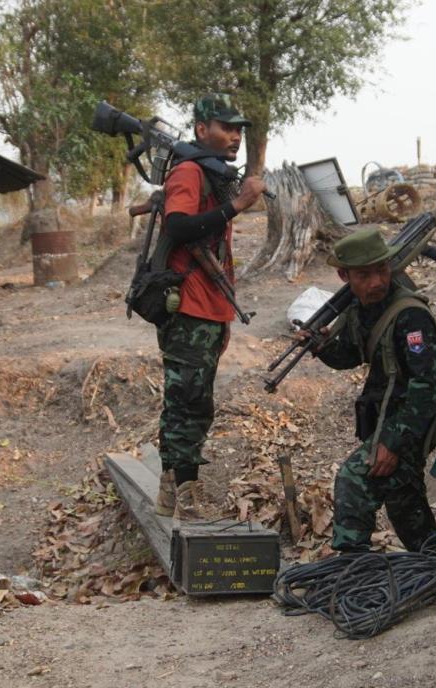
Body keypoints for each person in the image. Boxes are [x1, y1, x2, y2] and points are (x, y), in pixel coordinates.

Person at [153, 93, 267, 524]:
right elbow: (178, 225)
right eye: (227, 127)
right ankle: (187, 496)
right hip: (190, 310)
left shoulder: (211, 174)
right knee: (190, 404)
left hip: (209, 309)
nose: (236, 136)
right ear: (202, 130)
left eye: (239, 129)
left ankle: (170, 490)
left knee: (187, 401)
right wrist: (238, 204)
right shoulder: (188, 172)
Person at [309, 228, 436, 553]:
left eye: (382, 271)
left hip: (411, 423)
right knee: (404, 502)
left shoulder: (410, 315)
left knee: (354, 481)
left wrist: (393, 443)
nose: (376, 282)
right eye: (364, 275)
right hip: (390, 419)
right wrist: (321, 346)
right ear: (344, 275)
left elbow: (427, 387)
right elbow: (351, 355)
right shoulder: (362, 308)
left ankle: (352, 571)